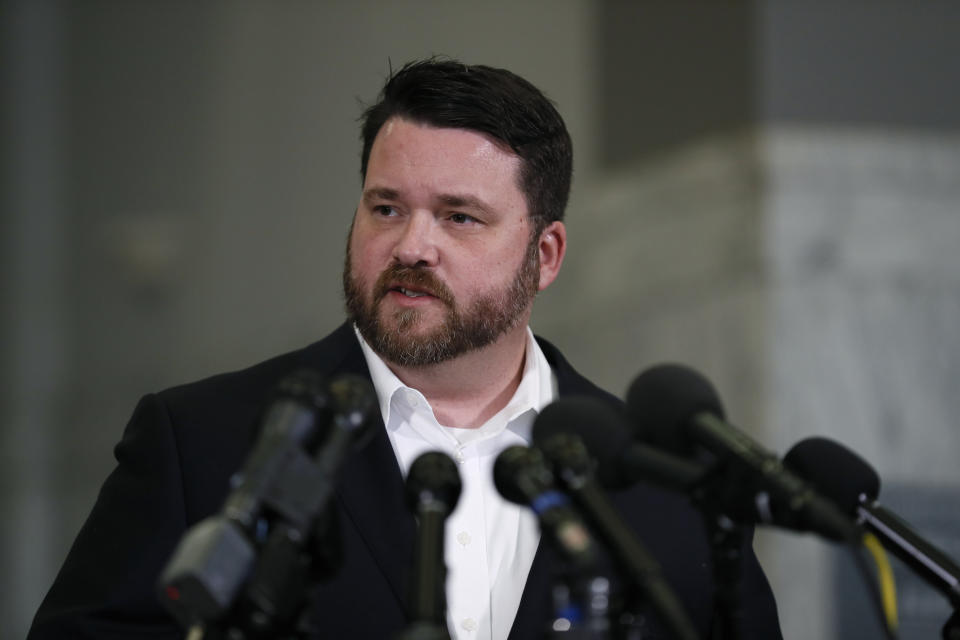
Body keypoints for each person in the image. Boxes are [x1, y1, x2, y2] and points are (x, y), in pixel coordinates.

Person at [28, 59, 782, 639]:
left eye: (459, 217)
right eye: (387, 208)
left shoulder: (670, 492)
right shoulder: (204, 442)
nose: (412, 246)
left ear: (545, 255)